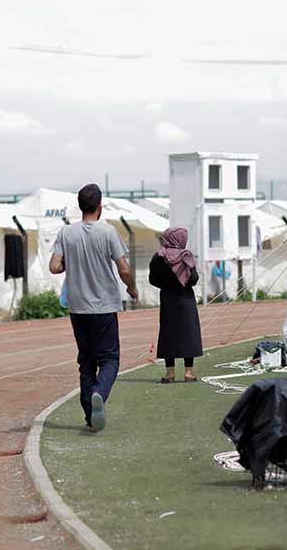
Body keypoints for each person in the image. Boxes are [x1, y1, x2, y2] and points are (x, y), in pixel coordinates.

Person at [50, 184, 137, 432]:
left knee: (86, 362)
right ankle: (99, 392)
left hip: (78, 308)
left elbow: (54, 267)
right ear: (99, 207)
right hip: (104, 306)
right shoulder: (108, 232)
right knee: (109, 359)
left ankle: (90, 416)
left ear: (80, 206)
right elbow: (124, 268)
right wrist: (131, 288)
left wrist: (70, 262)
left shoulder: (66, 233)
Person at [148, 227, 203, 383]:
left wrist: (166, 285)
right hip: (186, 300)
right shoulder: (186, 256)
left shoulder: (158, 257)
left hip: (167, 299)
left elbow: (152, 279)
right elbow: (193, 279)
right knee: (189, 333)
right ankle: (188, 372)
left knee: (168, 334)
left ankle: (170, 373)